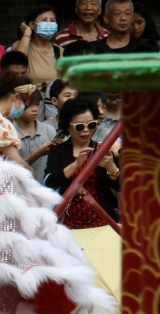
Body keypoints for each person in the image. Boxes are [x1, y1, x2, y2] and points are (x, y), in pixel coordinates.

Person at [43, 97, 121, 228]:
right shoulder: (58, 151)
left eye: (91, 125)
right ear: (67, 126)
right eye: (79, 126)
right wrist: (75, 165)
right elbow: (49, 182)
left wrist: (111, 168)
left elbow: (120, 187)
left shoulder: (102, 150)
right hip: (68, 223)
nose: (86, 130)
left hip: (102, 221)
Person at [11, 6, 61, 86]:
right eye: (44, 20)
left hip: (53, 98)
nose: (49, 24)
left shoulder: (59, 51)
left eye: (52, 21)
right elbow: (18, 63)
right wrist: (27, 33)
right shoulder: (21, 46)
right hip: (30, 97)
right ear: (32, 25)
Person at [15, 89, 58, 182]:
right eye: (29, 105)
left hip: (45, 189)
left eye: (37, 104)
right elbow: (11, 170)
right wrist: (37, 154)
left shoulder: (49, 130)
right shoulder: (9, 132)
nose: (35, 109)